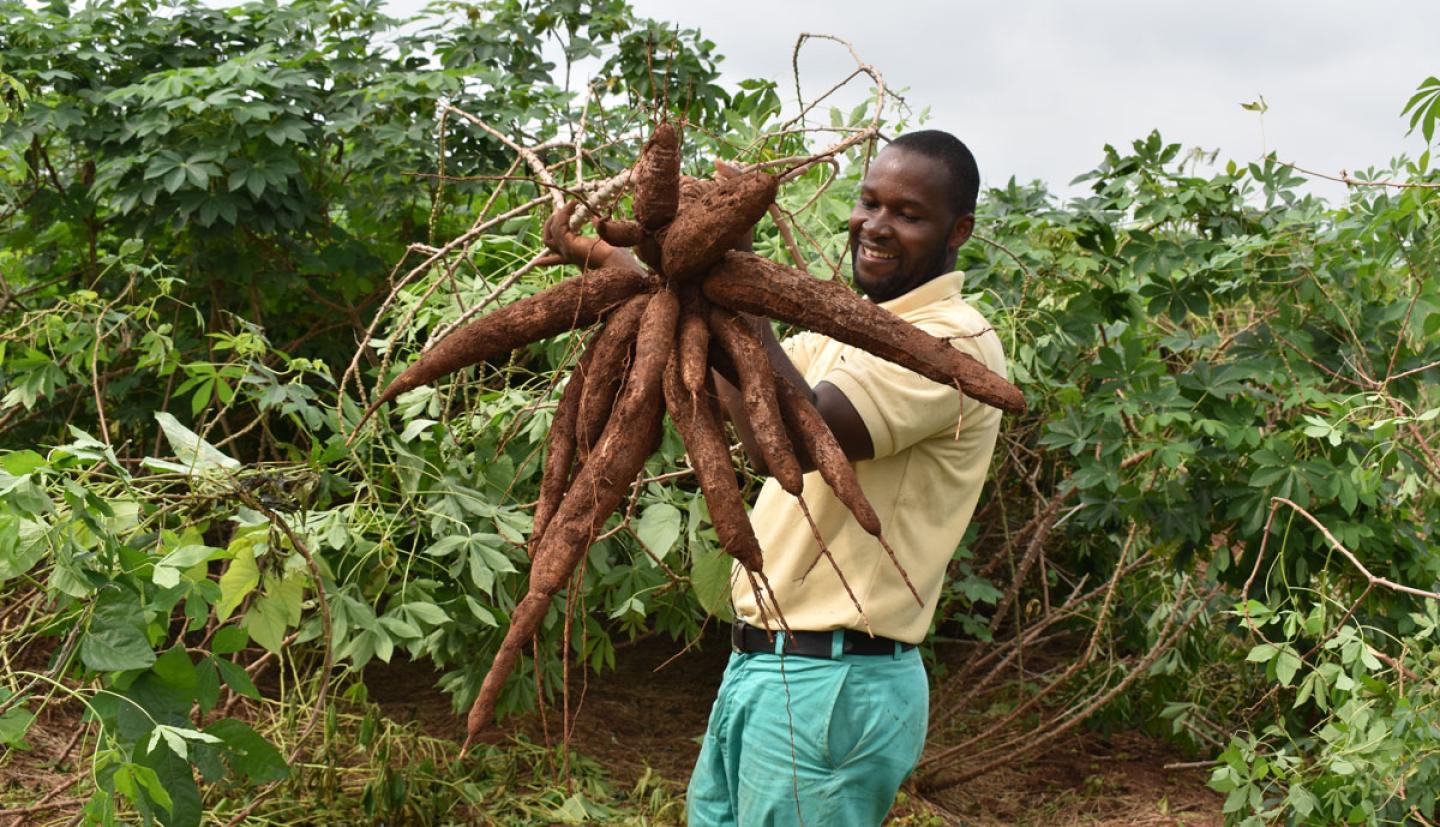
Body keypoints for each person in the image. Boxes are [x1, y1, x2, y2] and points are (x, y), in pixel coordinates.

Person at [685, 129, 1008, 827]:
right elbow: (751, 401)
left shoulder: (949, 342)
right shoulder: (847, 327)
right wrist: (683, 280)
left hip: (834, 679)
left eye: (908, 213)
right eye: (868, 202)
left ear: (960, 231)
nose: (875, 225)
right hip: (763, 666)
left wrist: (734, 285)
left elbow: (803, 438)